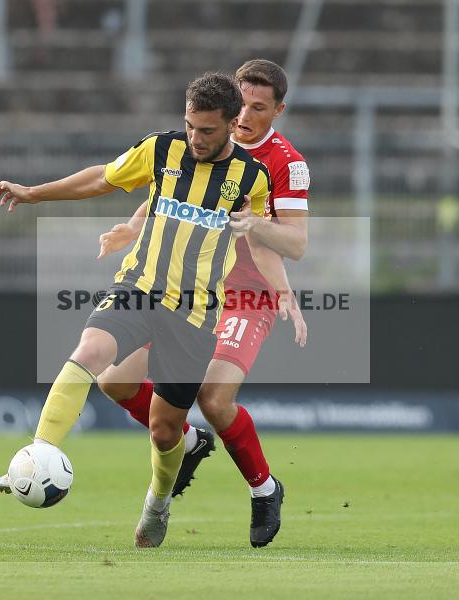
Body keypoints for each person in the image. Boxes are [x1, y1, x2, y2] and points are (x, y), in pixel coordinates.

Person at [0, 72, 303, 547]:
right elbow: (103, 176)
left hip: (195, 314)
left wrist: (282, 291)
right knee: (92, 351)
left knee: (164, 429)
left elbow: (258, 242)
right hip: (138, 288)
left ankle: (158, 503)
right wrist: (35, 193)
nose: (195, 139)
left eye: (206, 131)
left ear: (228, 124)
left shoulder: (252, 177)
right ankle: (41, 450)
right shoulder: (163, 150)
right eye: (189, 126)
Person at [95, 59, 310, 546]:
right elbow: (178, 188)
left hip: (246, 294)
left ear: (279, 110)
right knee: (114, 379)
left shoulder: (285, 164)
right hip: (184, 286)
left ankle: (264, 489)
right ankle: (187, 443)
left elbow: (296, 245)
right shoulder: (204, 137)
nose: (246, 117)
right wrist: (132, 227)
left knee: (214, 399)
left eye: (260, 108)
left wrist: (257, 228)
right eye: (243, 104)